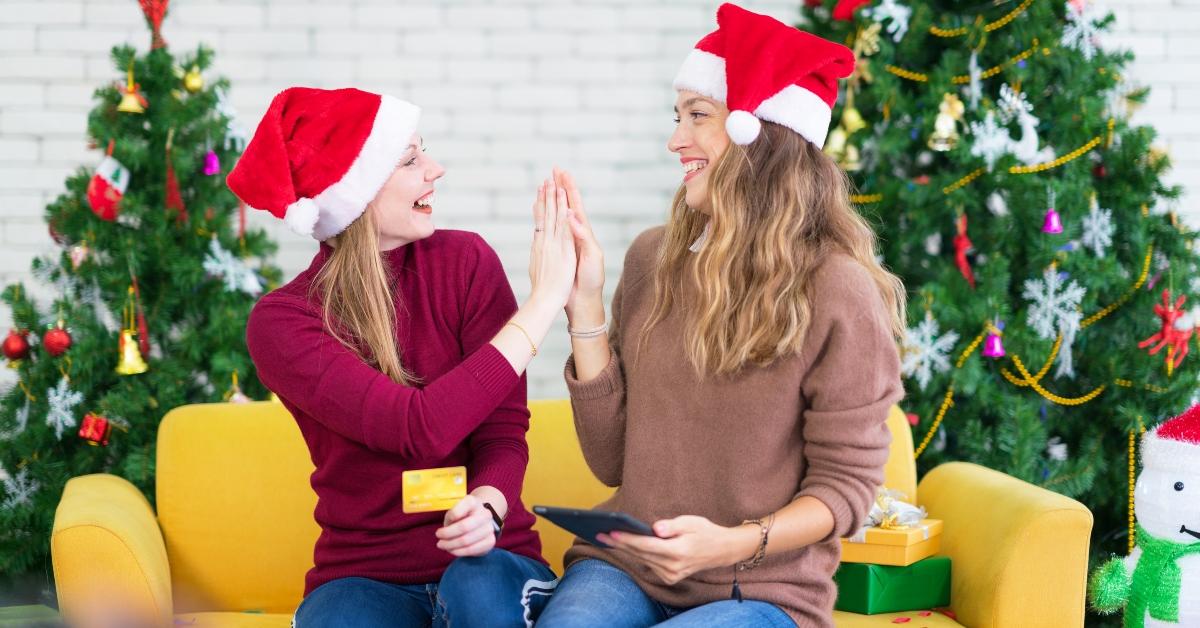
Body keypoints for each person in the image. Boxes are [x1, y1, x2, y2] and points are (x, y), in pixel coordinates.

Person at [537, 4, 907, 627]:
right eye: (676, 117)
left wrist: (732, 543)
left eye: (697, 116)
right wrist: (587, 304)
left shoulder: (836, 288)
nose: (675, 139)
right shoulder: (653, 258)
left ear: (753, 131)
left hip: (762, 591)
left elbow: (845, 489)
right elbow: (610, 462)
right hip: (629, 568)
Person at [232, 86, 577, 627]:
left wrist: (489, 504)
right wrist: (544, 302)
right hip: (365, 574)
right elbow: (419, 430)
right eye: (410, 159)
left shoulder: (466, 263)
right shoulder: (284, 322)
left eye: (425, 151)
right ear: (357, 191)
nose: (434, 169)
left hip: (491, 557)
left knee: (476, 590)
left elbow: (503, 432)